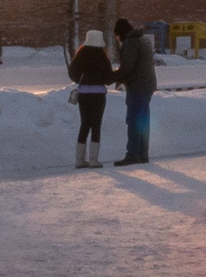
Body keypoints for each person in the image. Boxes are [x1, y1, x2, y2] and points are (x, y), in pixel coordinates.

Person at [113, 17, 158, 165]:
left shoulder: (131, 42)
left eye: (118, 36)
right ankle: (143, 154)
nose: (118, 39)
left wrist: (113, 76)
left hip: (137, 86)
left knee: (133, 120)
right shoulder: (143, 39)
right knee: (143, 121)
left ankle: (133, 154)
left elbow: (127, 67)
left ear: (122, 33)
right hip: (148, 85)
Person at [67, 37, 113, 167]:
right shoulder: (102, 58)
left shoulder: (80, 56)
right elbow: (109, 78)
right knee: (96, 125)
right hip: (98, 94)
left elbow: (72, 72)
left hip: (83, 94)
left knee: (85, 124)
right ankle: (93, 159)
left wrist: (79, 80)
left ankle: (79, 160)